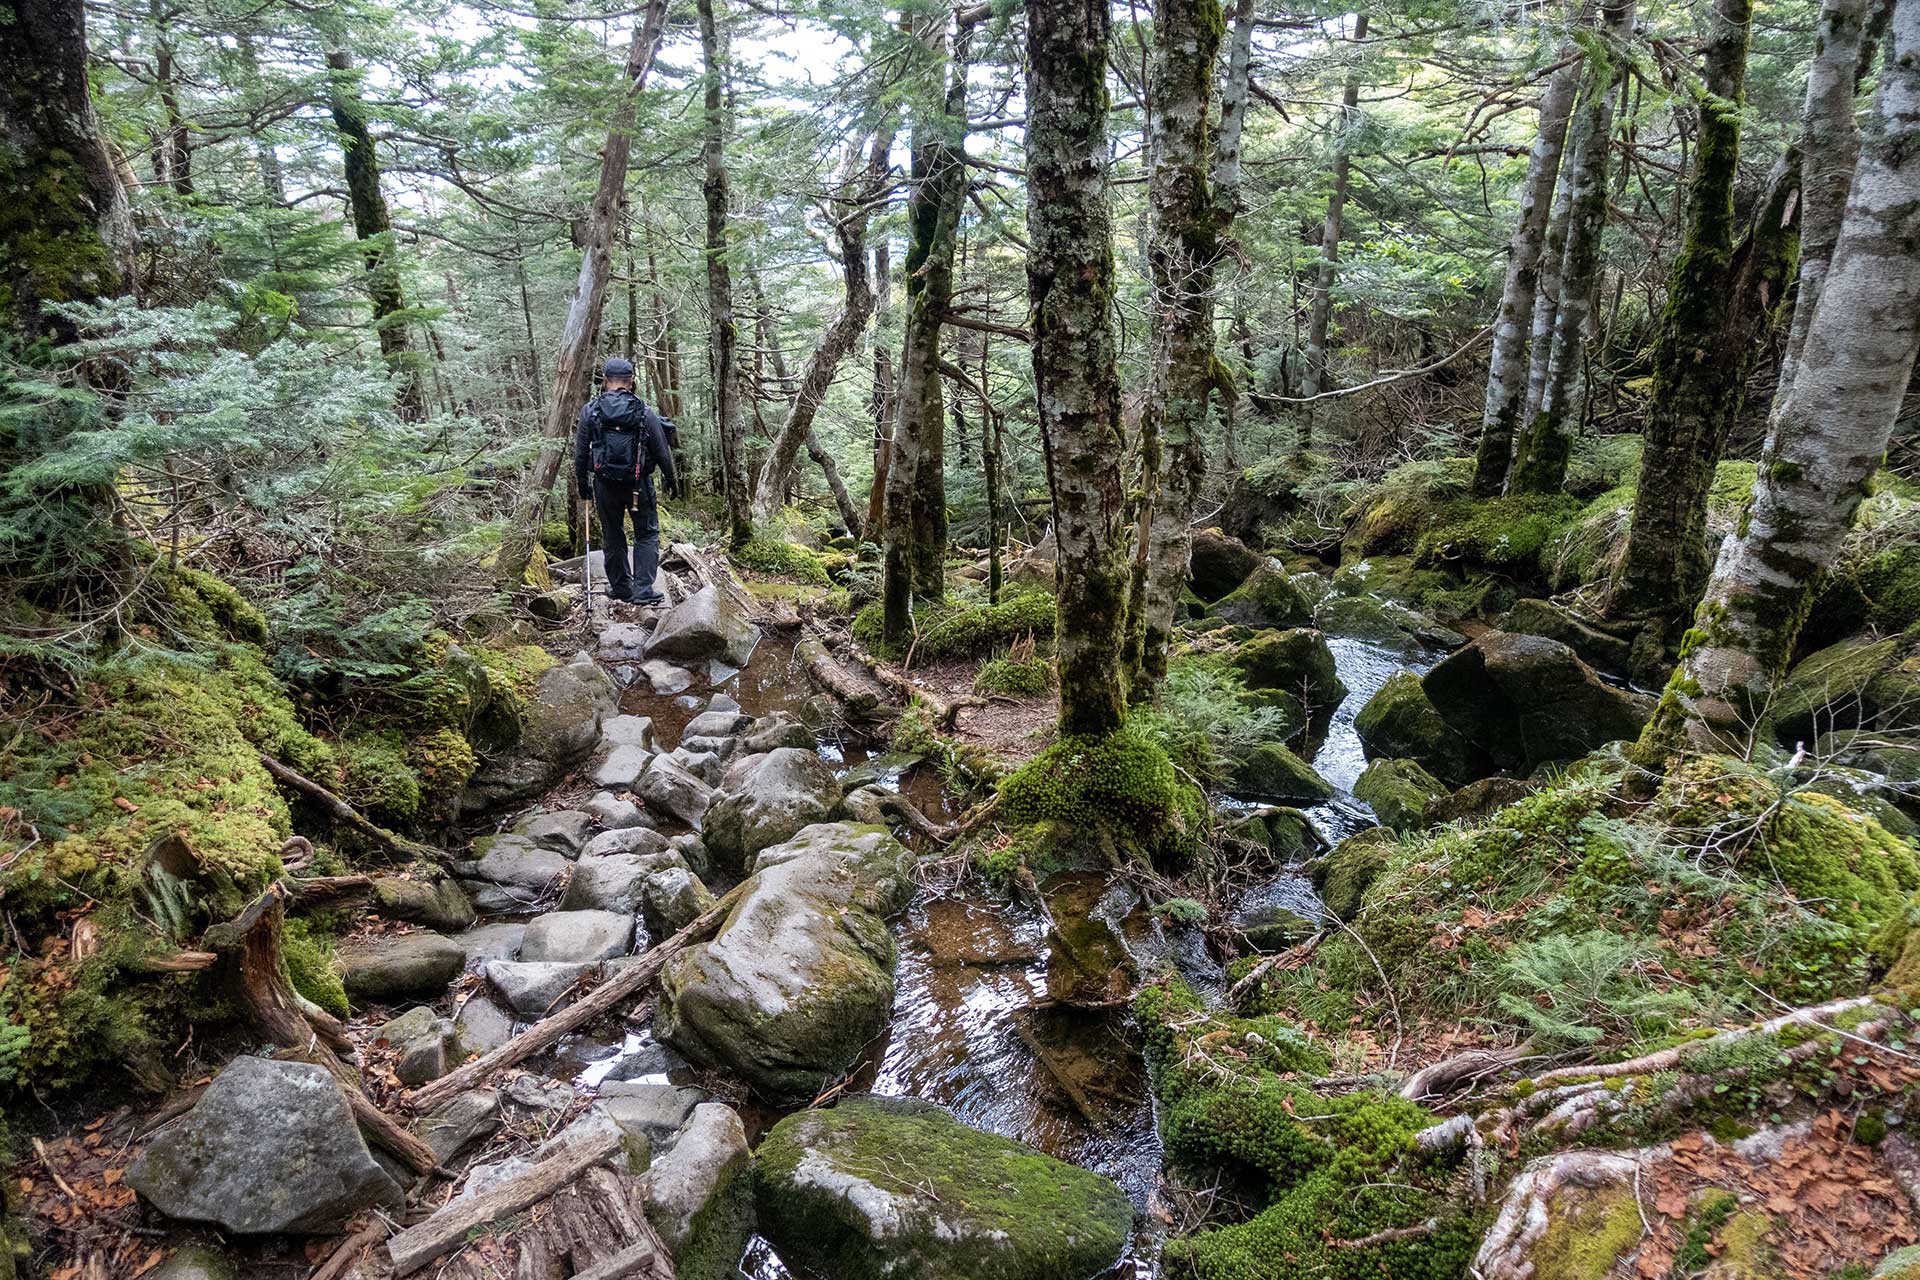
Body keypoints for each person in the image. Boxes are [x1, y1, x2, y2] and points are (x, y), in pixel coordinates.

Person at [574, 356, 680, 605]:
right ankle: (643, 590)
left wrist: (583, 484)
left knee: (613, 533)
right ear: (631, 381)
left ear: (605, 381)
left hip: (604, 484)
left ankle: (621, 587)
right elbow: (661, 449)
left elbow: (580, 452)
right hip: (638, 485)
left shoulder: (591, 411)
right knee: (646, 533)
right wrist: (671, 478)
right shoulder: (643, 411)